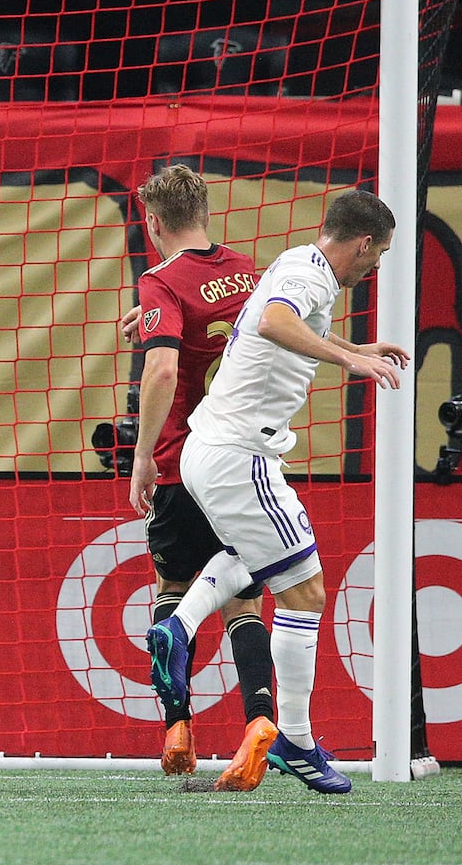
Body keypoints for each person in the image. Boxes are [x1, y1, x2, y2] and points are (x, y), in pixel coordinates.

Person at [146, 188, 409, 793]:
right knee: (307, 593)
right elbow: (272, 322)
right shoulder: (310, 280)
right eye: (381, 253)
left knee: (253, 561)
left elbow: (269, 326)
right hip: (242, 455)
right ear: (363, 243)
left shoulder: (296, 264)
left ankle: (178, 628)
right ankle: (293, 737)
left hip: (206, 451)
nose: (376, 267)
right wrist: (350, 364)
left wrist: (354, 347)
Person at [125, 164, 278, 791]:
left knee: (172, 592)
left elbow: (163, 371)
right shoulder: (253, 273)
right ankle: (259, 721)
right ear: (207, 211)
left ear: (154, 222)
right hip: (246, 463)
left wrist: (141, 457)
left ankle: (178, 727)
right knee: (243, 600)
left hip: (185, 463)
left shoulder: (160, 280)